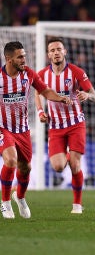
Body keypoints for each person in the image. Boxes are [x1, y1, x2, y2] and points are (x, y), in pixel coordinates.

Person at [0, 41, 72, 219]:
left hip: (23, 130)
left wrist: (60, 98)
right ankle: (5, 202)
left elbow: (45, 91)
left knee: (26, 168)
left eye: (24, 55)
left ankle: (20, 197)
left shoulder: (29, 74)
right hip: (3, 128)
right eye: (20, 57)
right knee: (10, 161)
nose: (24, 59)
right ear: (9, 59)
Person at [34, 37, 95, 214]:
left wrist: (87, 96)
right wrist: (40, 111)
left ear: (65, 52)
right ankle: (70, 155)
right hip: (55, 126)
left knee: (76, 165)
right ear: (48, 54)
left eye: (59, 49)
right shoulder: (42, 75)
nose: (56, 53)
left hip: (76, 124)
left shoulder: (76, 72)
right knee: (58, 166)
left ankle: (77, 205)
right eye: (52, 50)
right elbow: (38, 94)